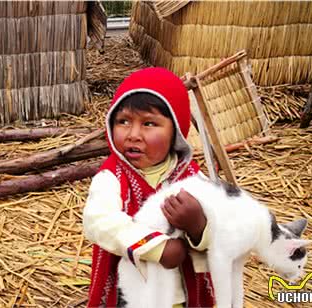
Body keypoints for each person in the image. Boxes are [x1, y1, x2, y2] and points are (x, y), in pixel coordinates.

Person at [83, 67, 215, 307]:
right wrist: (158, 247)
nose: (133, 134)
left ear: (175, 131)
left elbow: (223, 227)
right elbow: (98, 221)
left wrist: (198, 227)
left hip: (179, 294)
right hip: (130, 294)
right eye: (123, 121)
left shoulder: (192, 179)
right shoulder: (112, 177)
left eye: (149, 124)